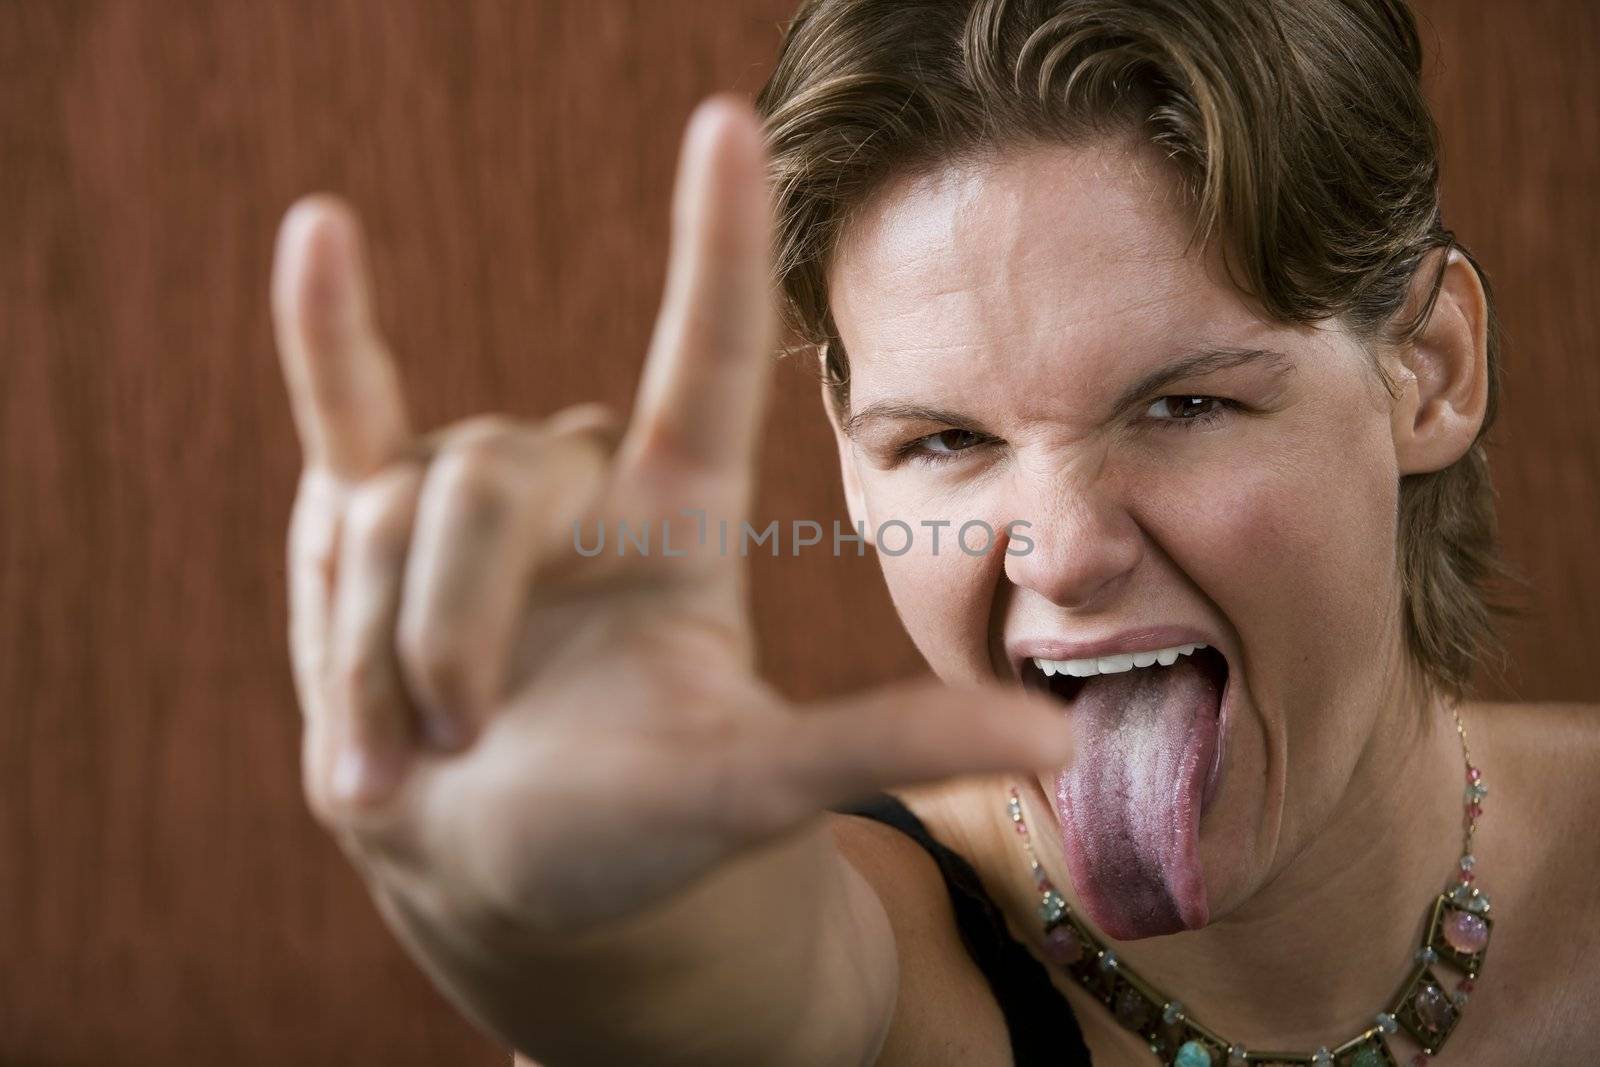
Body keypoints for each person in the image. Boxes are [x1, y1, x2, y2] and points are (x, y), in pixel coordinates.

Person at [268, 0, 1600, 1063]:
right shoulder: (901, 965)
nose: (1064, 551)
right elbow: (742, 984)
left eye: (1186, 404)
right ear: (854, 468)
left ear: (1428, 370)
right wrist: (592, 920)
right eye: (947, 442)